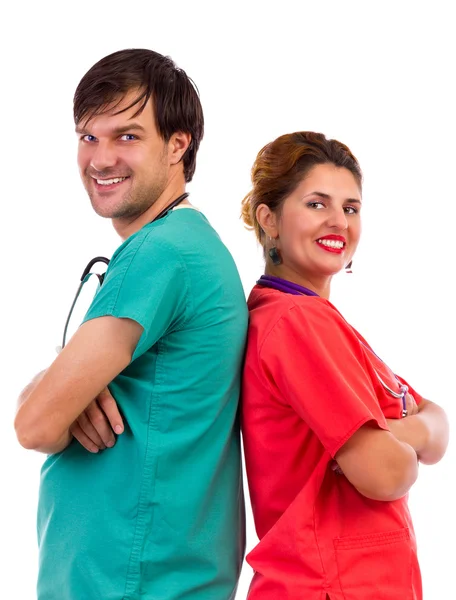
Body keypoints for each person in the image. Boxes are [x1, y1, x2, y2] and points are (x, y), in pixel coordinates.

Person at [15, 48, 248, 600]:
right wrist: (62, 388)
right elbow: (45, 405)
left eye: (126, 136)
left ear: (177, 144)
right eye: (88, 136)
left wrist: (58, 396)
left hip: (132, 580)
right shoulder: (184, 247)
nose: (99, 158)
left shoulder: (161, 253)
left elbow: (35, 426)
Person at [240, 131, 449, 599]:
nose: (339, 222)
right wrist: (398, 435)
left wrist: (388, 433)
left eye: (350, 208)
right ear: (268, 219)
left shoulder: (321, 323)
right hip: (328, 585)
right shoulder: (296, 323)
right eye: (317, 204)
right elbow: (386, 473)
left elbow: (438, 427)